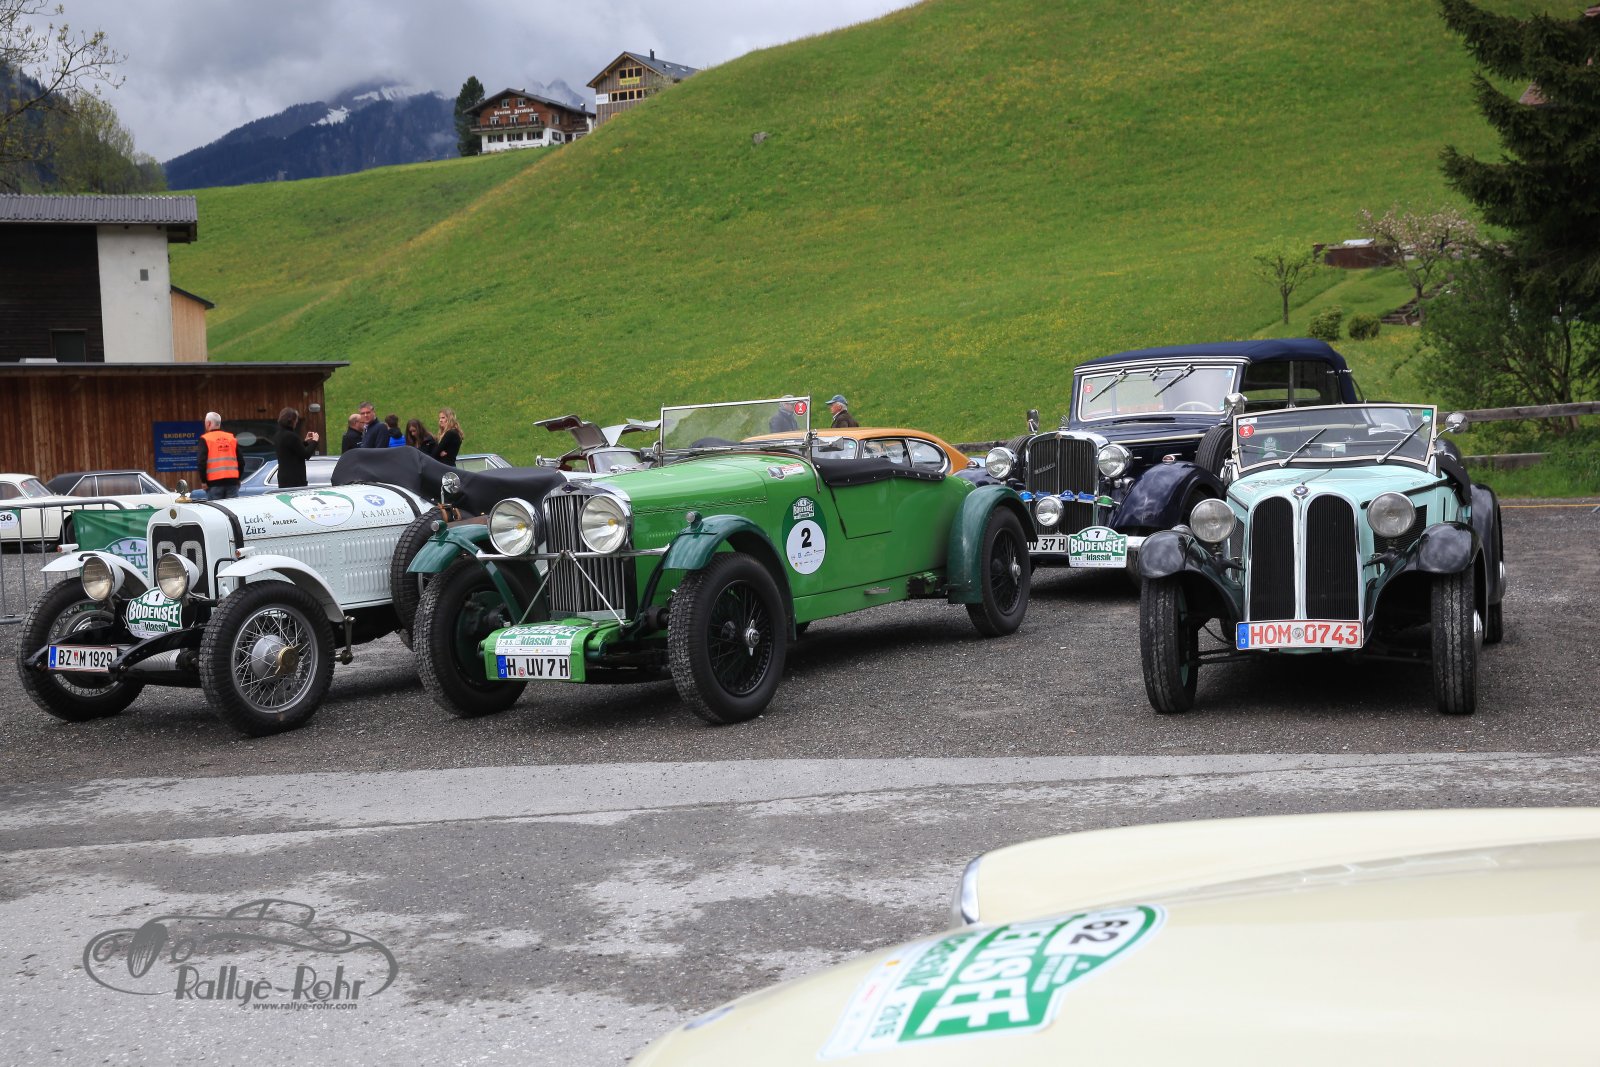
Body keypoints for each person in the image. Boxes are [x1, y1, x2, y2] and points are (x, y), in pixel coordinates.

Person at [197, 411, 241, 499]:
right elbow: (241, 461)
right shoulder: (231, 438)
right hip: (232, 482)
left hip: (214, 484)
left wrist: (204, 481)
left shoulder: (205, 439)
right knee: (232, 507)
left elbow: (201, 462)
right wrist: (238, 479)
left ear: (209, 423)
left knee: (216, 507)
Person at [274, 407, 320, 488]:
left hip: (283, 477)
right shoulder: (292, 436)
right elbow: (306, 455)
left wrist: (305, 442)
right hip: (295, 479)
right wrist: (314, 441)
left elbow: (293, 450)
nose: (297, 422)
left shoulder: (278, 435)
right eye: (296, 420)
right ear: (292, 421)